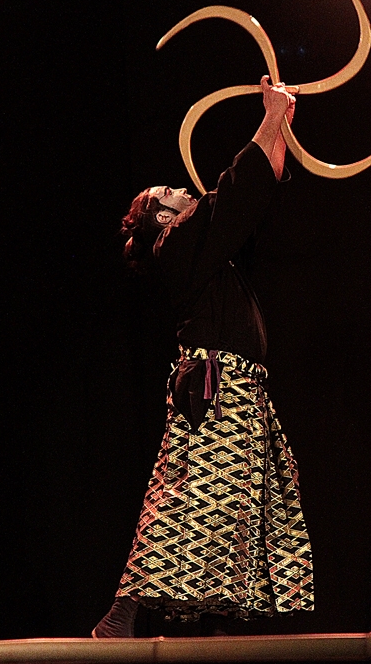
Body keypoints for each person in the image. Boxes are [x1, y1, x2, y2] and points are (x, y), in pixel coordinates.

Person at [93, 76, 314, 638]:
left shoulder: (204, 240)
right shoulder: (177, 247)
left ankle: (216, 626)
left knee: (230, 508)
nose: (179, 191)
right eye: (166, 194)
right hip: (217, 389)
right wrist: (269, 116)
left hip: (236, 389)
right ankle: (126, 613)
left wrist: (278, 121)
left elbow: (254, 192)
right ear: (160, 221)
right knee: (196, 502)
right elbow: (242, 191)